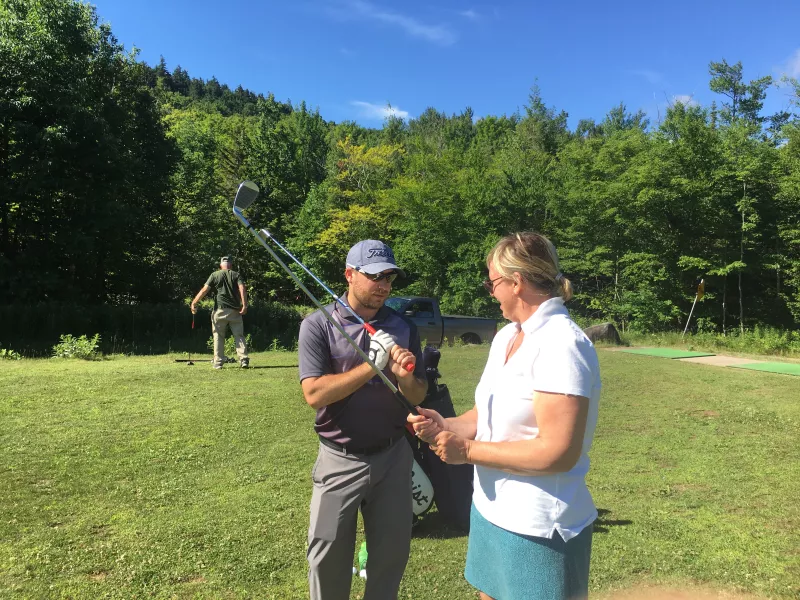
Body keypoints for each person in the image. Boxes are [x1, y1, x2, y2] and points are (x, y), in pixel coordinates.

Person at [408, 232, 601, 600]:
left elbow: (558, 452)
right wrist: (445, 426)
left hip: (539, 525)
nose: (490, 291)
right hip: (491, 507)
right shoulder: (508, 337)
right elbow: (487, 415)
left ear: (517, 282)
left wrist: (467, 452)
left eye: (493, 282)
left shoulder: (561, 344)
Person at [298, 240, 427, 600]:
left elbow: (417, 395)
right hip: (340, 457)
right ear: (349, 275)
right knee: (327, 558)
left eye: (389, 277)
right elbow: (315, 395)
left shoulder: (402, 327)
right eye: (374, 276)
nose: (384, 285)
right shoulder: (318, 325)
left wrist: (403, 375)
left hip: (393, 457)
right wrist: (370, 366)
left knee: (390, 557)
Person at [190, 256, 249, 369]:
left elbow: (204, 290)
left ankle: (218, 363)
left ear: (220, 265)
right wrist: (244, 305)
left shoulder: (214, 275)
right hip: (235, 311)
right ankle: (244, 359)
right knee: (239, 335)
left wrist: (194, 303)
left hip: (219, 310)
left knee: (218, 336)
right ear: (230, 265)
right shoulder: (236, 275)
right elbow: (242, 289)